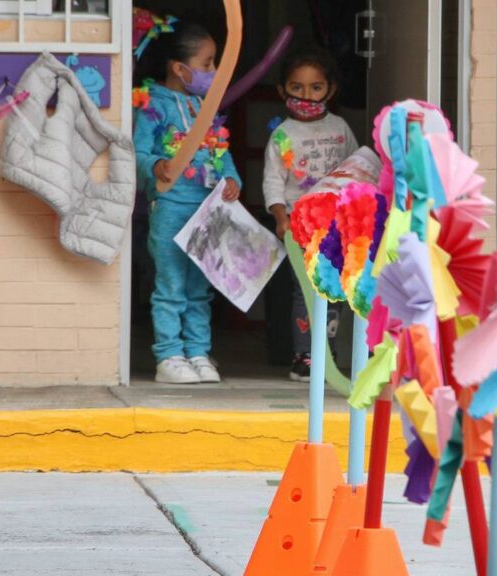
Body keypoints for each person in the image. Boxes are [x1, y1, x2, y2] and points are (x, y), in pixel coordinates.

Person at [133, 20, 242, 384]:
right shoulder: (152, 105)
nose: (213, 71)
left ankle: (197, 351)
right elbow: (138, 152)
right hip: (170, 210)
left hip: (207, 211)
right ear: (180, 69)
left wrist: (232, 180)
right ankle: (169, 356)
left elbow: (221, 152)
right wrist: (156, 166)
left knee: (200, 288)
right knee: (171, 286)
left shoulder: (203, 107)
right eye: (208, 63)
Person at [262, 48, 359, 382]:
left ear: (330, 90)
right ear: (282, 90)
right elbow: (273, 181)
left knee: (334, 290)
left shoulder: (342, 128)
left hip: (337, 225)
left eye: (316, 88)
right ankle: (304, 355)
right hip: (299, 227)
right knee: (304, 291)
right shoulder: (282, 135)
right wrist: (280, 216)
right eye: (297, 87)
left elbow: (355, 171)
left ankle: (327, 353)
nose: (306, 95)